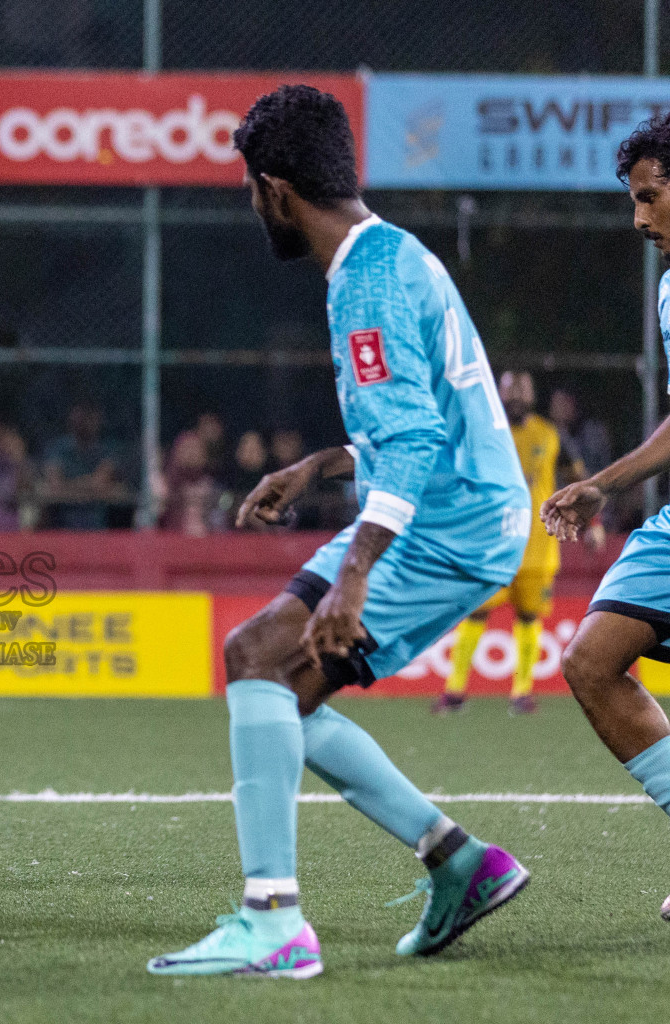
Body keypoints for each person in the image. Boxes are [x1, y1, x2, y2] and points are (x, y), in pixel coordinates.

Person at [147, 86, 532, 979]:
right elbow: (421, 419)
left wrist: (356, 574)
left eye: (252, 187)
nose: (253, 205)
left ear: (277, 189)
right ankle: (459, 862)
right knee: (273, 682)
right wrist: (321, 466)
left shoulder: (364, 282)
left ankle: (273, 921)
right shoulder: (390, 255)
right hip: (454, 508)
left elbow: (411, 440)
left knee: (257, 662)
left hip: (450, 528)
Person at [541, 113, 670, 923]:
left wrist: (601, 483)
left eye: (652, 197)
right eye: (634, 199)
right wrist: (606, 486)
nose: (639, 218)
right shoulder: (668, 288)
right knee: (592, 661)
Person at [437, 370, 592, 716]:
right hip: (492, 546)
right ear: (499, 393)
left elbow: (578, 479)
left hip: (538, 547)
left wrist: (590, 522)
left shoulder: (552, 435)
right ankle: (454, 691)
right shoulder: (482, 431)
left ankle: (521, 694)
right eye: (511, 389)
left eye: (524, 389)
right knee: (475, 613)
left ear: (533, 395)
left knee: (529, 617)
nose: (518, 396)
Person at [41, 402, 128, 529]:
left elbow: (99, 483)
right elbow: (55, 486)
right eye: (81, 416)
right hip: (62, 527)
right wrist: (93, 488)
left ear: (98, 419)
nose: (84, 422)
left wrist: (67, 487)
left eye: (89, 416)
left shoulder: (106, 450)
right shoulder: (58, 449)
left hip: (95, 527)